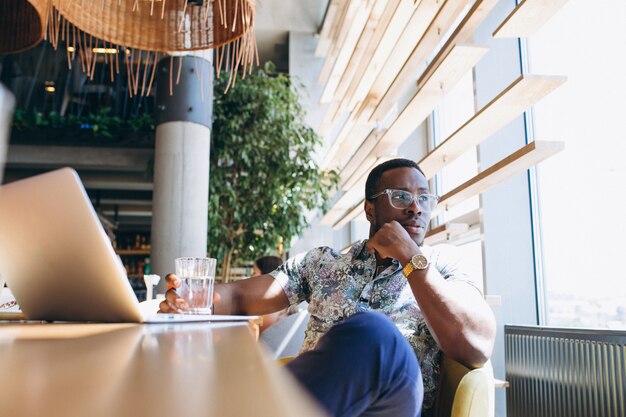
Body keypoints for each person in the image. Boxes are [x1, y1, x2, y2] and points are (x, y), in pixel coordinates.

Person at [161, 158, 496, 417]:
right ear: (370, 209)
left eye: (425, 198)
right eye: (400, 197)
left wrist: (411, 257)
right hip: (320, 404)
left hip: (390, 405)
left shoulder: (444, 265)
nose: (416, 207)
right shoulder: (322, 262)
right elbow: (238, 298)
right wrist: (192, 298)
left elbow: (476, 345)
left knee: (375, 332)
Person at [252, 255, 300, 334]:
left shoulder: (274, 301)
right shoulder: (285, 297)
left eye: (254, 272)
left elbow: (260, 331)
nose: (251, 276)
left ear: (265, 275)